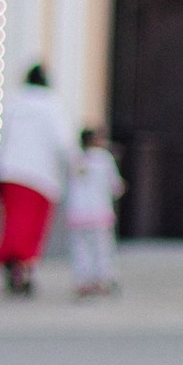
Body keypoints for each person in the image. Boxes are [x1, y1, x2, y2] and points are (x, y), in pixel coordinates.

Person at [0, 62, 78, 297]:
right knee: (32, 226)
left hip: (11, 172)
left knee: (12, 221)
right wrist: (75, 164)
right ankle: (24, 265)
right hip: (41, 176)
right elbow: (63, 143)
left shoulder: (12, 103)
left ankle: (12, 261)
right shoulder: (52, 106)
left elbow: (0, 137)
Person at [65, 126, 124, 296]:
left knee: (80, 249)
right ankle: (103, 279)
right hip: (99, 213)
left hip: (77, 214)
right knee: (102, 248)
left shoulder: (75, 159)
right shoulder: (104, 159)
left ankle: (82, 281)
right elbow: (116, 186)